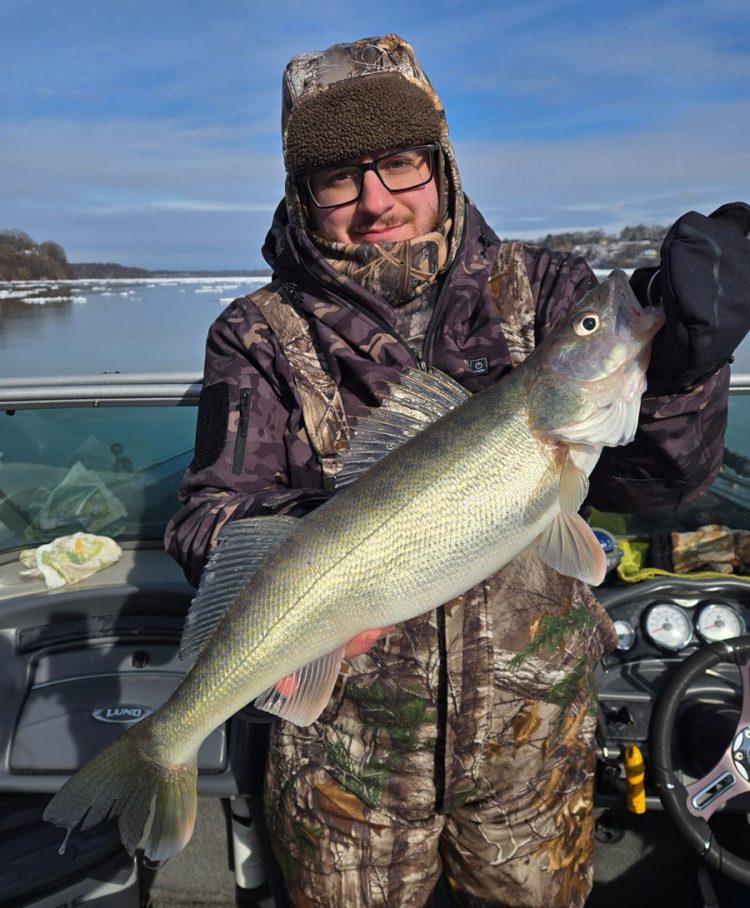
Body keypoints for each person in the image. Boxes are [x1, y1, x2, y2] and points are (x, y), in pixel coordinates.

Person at [165, 34, 750, 908]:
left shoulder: (545, 289)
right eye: (337, 178)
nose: (375, 201)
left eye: (400, 163)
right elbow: (207, 513)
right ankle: (160, 748)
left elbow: (653, 487)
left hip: (534, 752)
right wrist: (320, 568)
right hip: (343, 773)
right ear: (301, 192)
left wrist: (685, 371)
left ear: (439, 164)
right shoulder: (257, 333)